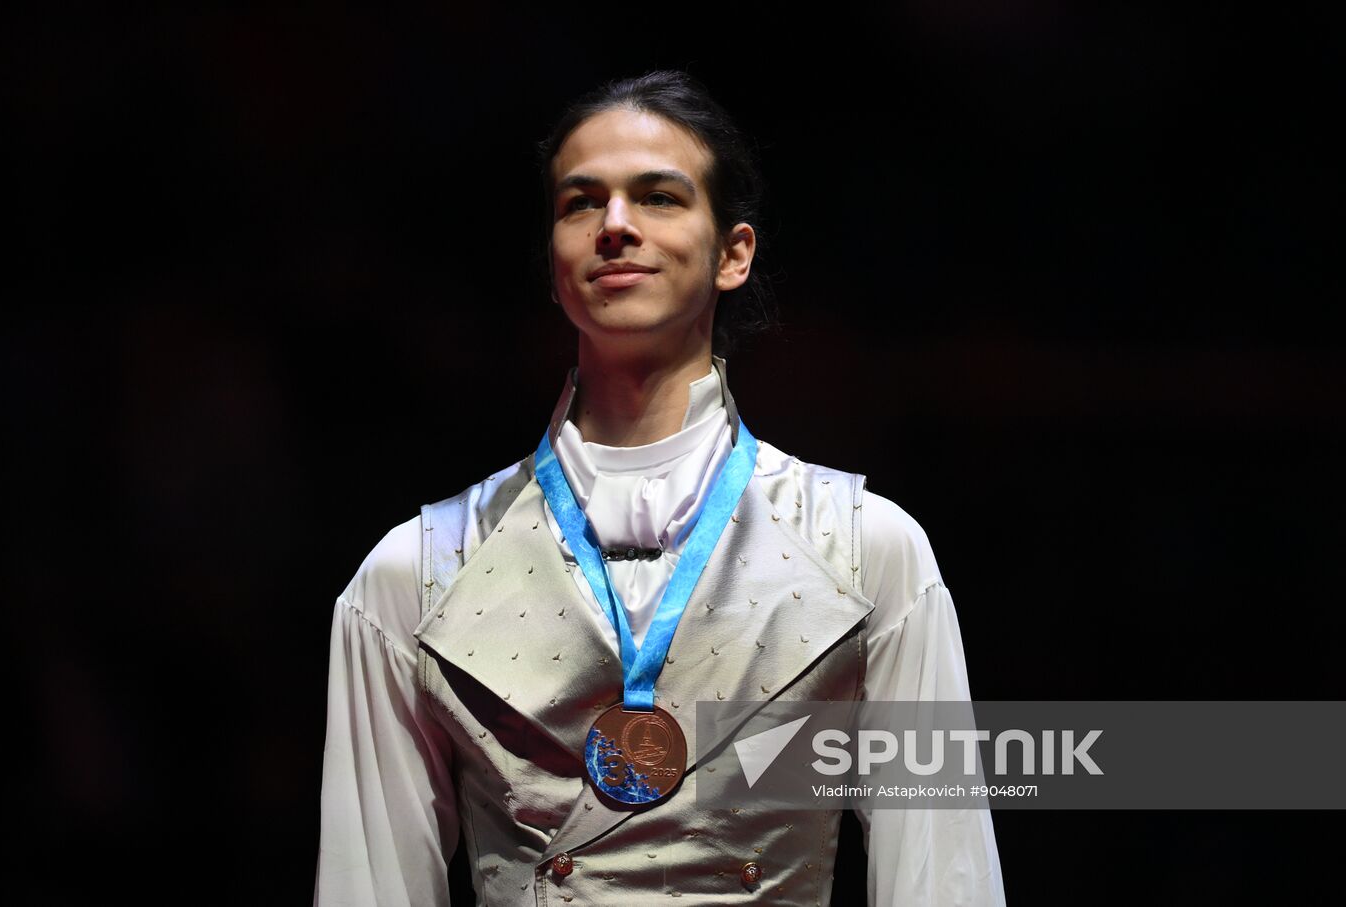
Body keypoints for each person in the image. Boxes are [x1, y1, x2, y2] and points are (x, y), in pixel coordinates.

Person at [315, 70, 1004, 906]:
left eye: (658, 197)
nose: (614, 225)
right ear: (554, 262)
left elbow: (942, 879)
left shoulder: (866, 552)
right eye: (580, 202)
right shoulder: (411, 575)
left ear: (733, 253)